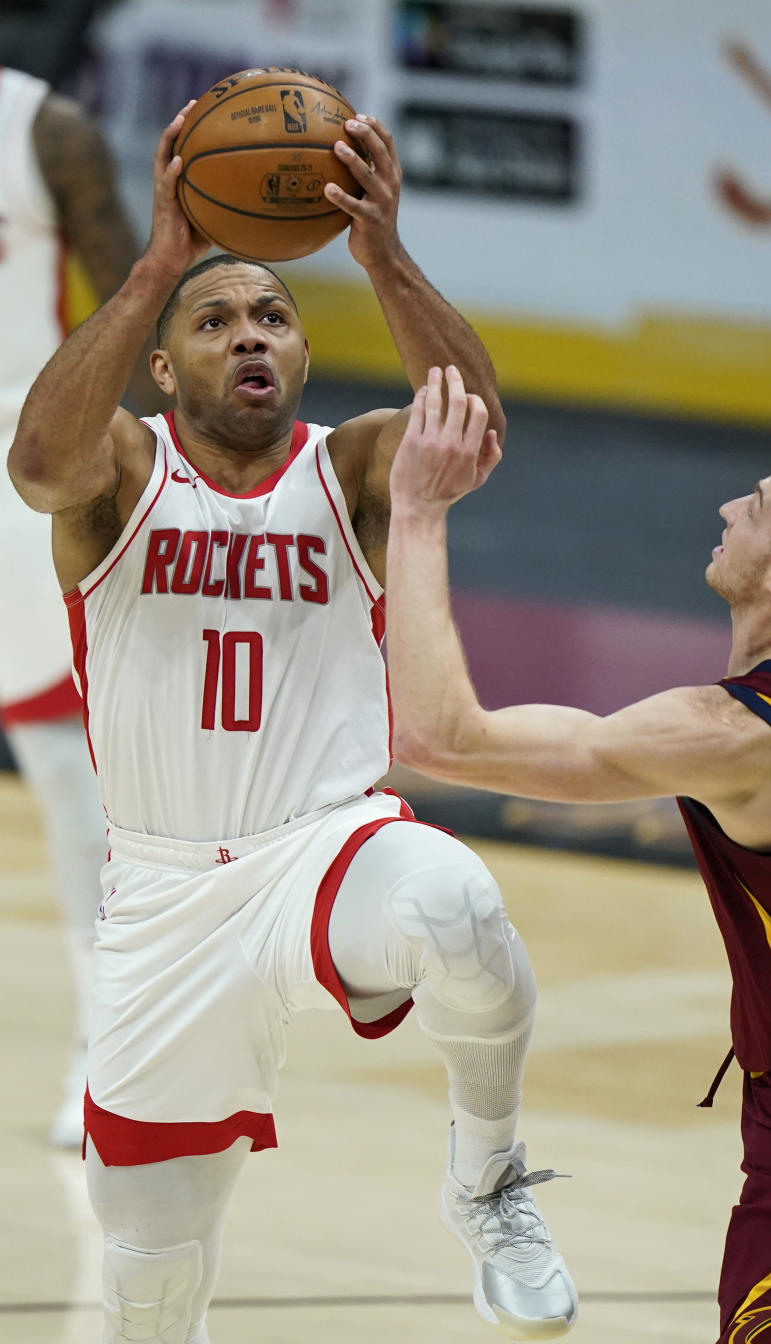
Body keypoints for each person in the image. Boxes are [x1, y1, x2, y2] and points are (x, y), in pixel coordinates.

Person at [7, 106, 578, 1344]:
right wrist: (158, 264)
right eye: (214, 322)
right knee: (151, 1282)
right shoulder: (122, 471)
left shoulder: (358, 467)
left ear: (304, 353)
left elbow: (469, 427)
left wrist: (382, 256)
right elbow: (39, 463)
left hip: (324, 847)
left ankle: (487, 1177)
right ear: (163, 367)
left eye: (273, 315)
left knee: (459, 912)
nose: (249, 334)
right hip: (162, 899)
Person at [385, 366, 771, 1344]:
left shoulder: (735, 737)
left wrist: (419, 510)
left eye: (762, 507)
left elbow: (440, 737)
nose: (731, 505)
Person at [0, 64, 162, 1146]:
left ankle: (113, 1037)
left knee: (65, 765)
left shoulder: (43, 129)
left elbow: (137, 315)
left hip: (25, 460)